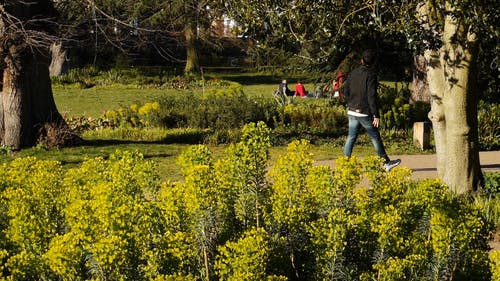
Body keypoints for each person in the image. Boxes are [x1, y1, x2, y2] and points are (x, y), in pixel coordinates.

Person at [343, 49, 401, 172]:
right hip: (364, 111)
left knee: (351, 137)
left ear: (361, 60)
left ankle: (345, 163)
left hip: (352, 110)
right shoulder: (371, 75)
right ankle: (386, 162)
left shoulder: (352, 73)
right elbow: (371, 96)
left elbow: (345, 91)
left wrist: (351, 102)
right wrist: (376, 114)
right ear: (373, 63)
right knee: (375, 137)